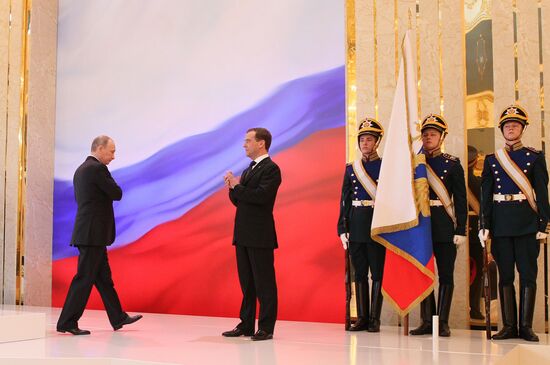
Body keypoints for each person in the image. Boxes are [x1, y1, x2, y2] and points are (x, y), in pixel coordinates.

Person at [57, 135, 142, 335]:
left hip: (89, 233)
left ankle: (118, 316)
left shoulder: (81, 169)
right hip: (92, 234)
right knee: (84, 278)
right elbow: (117, 193)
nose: (114, 156)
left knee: (103, 278)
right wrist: (110, 179)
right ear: (100, 148)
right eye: (111, 151)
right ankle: (67, 322)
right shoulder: (97, 169)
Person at [479, 105, 550, 342]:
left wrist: (543, 225)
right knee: (505, 275)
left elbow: (542, 192)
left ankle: (525, 326)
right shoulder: (492, 160)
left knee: (528, 275)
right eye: (507, 125)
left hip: (527, 223)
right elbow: (485, 196)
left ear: (522, 129)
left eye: (515, 125)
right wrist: (484, 224)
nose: (511, 128)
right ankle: (508, 325)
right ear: (502, 130)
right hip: (500, 224)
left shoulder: (535, 157)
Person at [410, 114, 467, 337]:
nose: (428, 138)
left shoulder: (452, 164)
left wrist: (460, 229)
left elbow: (460, 199)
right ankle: (427, 320)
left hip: (444, 226)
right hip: (421, 226)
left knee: (446, 275)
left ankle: (442, 322)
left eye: (433, 134)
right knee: (424, 274)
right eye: (425, 134)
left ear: (441, 137)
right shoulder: (415, 162)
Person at [222, 128, 282, 341]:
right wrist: (232, 188)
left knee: (264, 282)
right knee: (247, 282)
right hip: (244, 233)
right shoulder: (249, 169)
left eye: (248, 140)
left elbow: (262, 197)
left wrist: (237, 186)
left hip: (260, 234)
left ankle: (266, 327)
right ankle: (246, 324)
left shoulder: (271, 169)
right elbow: (241, 201)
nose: (244, 144)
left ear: (261, 143)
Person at [337, 118, 385, 332]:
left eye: (369, 139)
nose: (365, 143)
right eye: (362, 139)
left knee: (377, 273)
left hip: (376, 225)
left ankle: (375, 318)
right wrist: (342, 229)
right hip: (356, 224)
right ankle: (362, 317)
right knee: (359, 274)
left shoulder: (385, 166)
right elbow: (344, 200)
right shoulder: (351, 168)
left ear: (377, 142)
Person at [467, 145, 485, 320]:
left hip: (461, 232)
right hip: (474, 233)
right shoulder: (478, 183)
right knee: (477, 272)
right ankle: (475, 308)